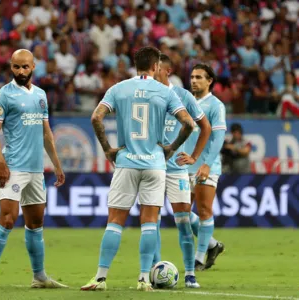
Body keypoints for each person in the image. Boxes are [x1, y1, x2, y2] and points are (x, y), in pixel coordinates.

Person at [80, 46, 194, 292]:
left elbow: (96, 117)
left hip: (126, 162)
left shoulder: (118, 89)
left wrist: (108, 149)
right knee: (149, 222)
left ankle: (100, 278)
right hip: (155, 164)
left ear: (135, 65)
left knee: (115, 221)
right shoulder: (165, 92)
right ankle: (144, 279)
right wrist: (171, 148)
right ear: (156, 67)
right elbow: (188, 124)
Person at [0, 49, 67, 290]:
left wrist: (57, 165)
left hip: (35, 170)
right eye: (16, 67)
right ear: (11, 67)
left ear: (34, 67)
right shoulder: (4, 95)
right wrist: (0, 161)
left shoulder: (41, 95)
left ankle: (39, 276)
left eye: (25, 67)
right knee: (7, 220)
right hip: (14, 168)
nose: (21, 71)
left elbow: (46, 134)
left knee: (35, 223)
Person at [153, 53, 211, 288]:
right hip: (152, 168)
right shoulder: (146, 93)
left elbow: (205, 126)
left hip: (176, 169)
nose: (149, 73)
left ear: (166, 71)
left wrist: (195, 157)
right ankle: (152, 272)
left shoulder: (183, 95)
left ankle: (189, 274)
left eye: (154, 70)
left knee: (184, 221)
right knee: (151, 223)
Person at [179, 64, 226, 271]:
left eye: (199, 77)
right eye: (192, 77)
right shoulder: (185, 103)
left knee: (204, 209)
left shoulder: (215, 105)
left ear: (210, 81)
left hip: (206, 166)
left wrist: (206, 164)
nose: (194, 81)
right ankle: (214, 245)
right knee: (181, 212)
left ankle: (199, 258)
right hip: (184, 165)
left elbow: (218, 138)